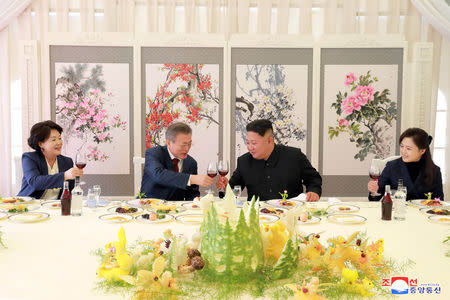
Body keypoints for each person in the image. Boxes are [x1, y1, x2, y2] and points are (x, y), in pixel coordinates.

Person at [217, 119, 322, 201]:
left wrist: (313, 191)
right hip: (258, 217)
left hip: (291, 213)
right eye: (248, 143)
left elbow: (314, 179)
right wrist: (225, 188)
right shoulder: (244, 161)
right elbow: (233, 191)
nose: (250, 147)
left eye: (254, 143)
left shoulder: (294, 156)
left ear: (270, 141)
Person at [140, 122, 214, 200]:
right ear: (169, 143)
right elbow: (158, 175)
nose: (187, 148)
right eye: (183, 145)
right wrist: (191, 179)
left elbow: (192, 194)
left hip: (177, 209)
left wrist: (195, 204)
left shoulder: (191, 163)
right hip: (148, 206)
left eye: (189, 144)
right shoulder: (154, 153)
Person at [368, 128, 444, 201]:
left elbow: (439, 200)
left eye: (408, 148)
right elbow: (376, 197)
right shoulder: (391, 166)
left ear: (422, 150)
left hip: (423, 213)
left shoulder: (435, 170)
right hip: (397, 212)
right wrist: (373, 191)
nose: (403, 151)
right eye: (402, 146)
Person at [18, 120, 83, 199]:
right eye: (54, 139)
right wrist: (64, 175)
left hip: (55, 207)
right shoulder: (29, 158)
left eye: (59, 138)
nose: (59, 142)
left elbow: (70, 191)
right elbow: (35, 182)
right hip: (30, 205)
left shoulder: (67, 162)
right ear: (41, 144)